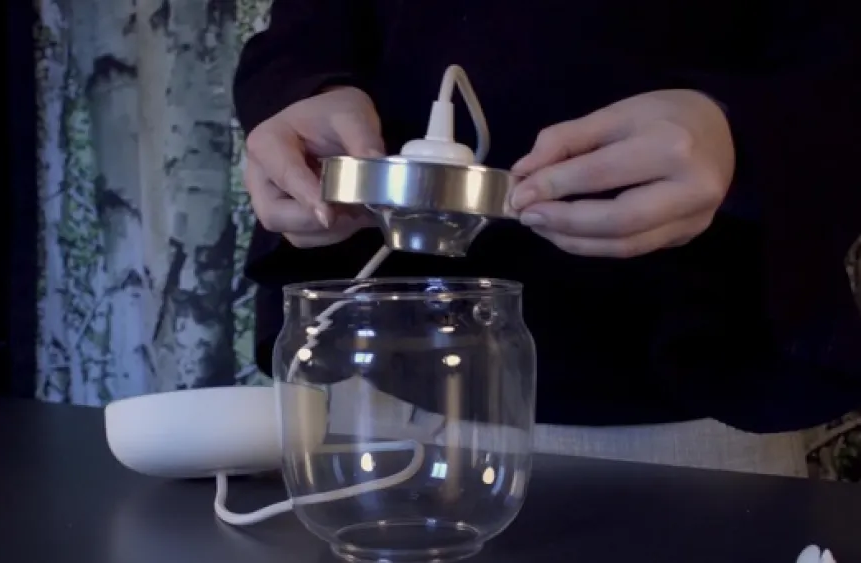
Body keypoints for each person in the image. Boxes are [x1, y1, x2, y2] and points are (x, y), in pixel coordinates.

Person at [231, 0, 861, 477]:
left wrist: (740, 132)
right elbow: (304, 32)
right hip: (369, 381)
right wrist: (300, 96)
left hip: (690, 397)